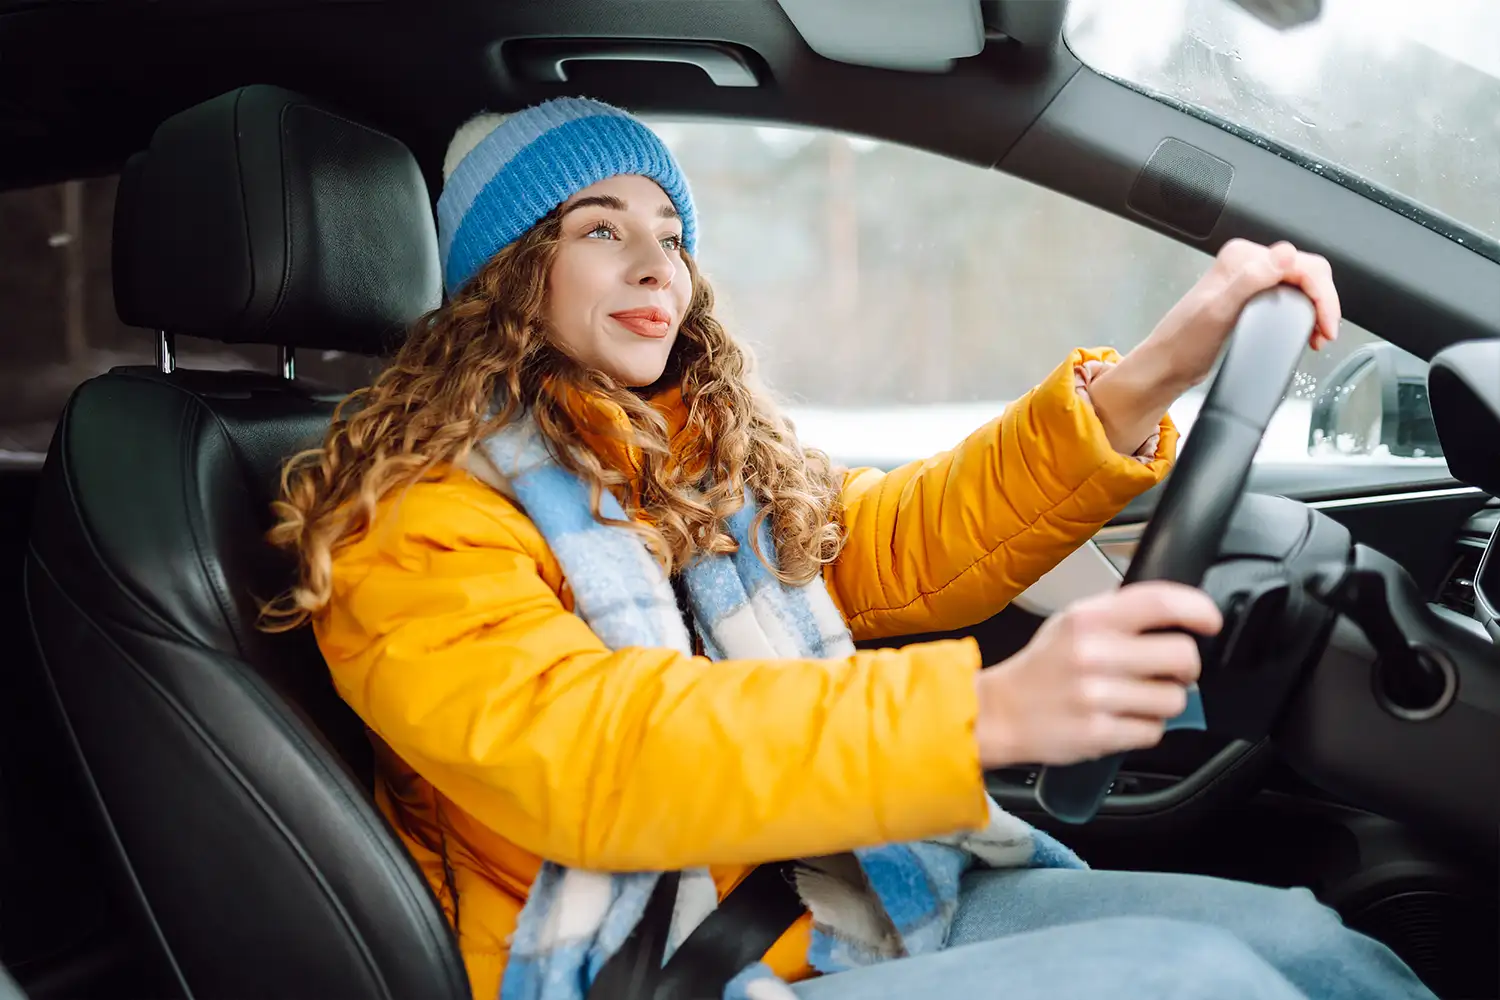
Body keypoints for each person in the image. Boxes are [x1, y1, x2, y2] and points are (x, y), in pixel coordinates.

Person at [263, 97, 1434, 1000]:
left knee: (1315, 951)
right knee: (1205, 986)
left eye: (671, 233)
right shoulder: (408, 519)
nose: (654, 263)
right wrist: (986, 714)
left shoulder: (683, 462)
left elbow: (883, 540)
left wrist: (1147, 379)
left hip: (832, 893)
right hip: (659, 961)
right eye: (598, 229)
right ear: (504, 280)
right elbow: (603, 747)